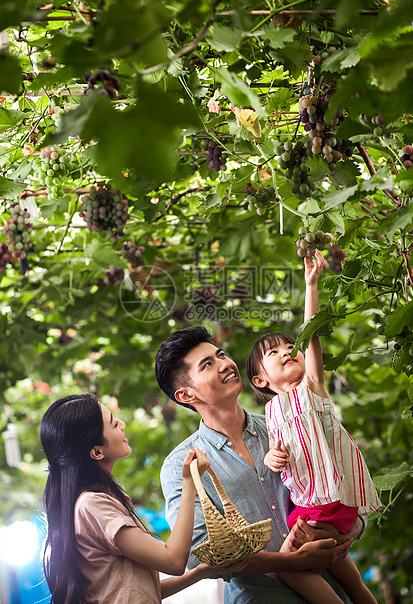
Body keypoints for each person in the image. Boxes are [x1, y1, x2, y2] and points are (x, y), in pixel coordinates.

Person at [156, 326, 361, 603]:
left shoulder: (290, 422)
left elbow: (347, 481)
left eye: (221, 355)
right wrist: (289, 561)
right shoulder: (181, 465)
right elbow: (198, 553)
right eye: (208, 364)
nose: (225, 364)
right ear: (186, 395)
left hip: (338, 589)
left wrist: (347, 529)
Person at [245, 249, 381, 604]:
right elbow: (280, 454)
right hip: (319, 504)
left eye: (291, 347)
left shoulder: (311, 387)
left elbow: (312, 331)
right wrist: (272, 459)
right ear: (260, 380)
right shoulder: (274, 412)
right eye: (273, 353)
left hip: (326, 502)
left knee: (289, 567)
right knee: (352, 581)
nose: (287, 352)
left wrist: (312, 284)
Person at [40, 393, 244, 604]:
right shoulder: (92, 505)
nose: (121, 423)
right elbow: (173, 561)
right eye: (112, 423)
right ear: (96, 452)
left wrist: (202, 571)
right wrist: (189, 482)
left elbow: (139, 590)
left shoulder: (94, 501)